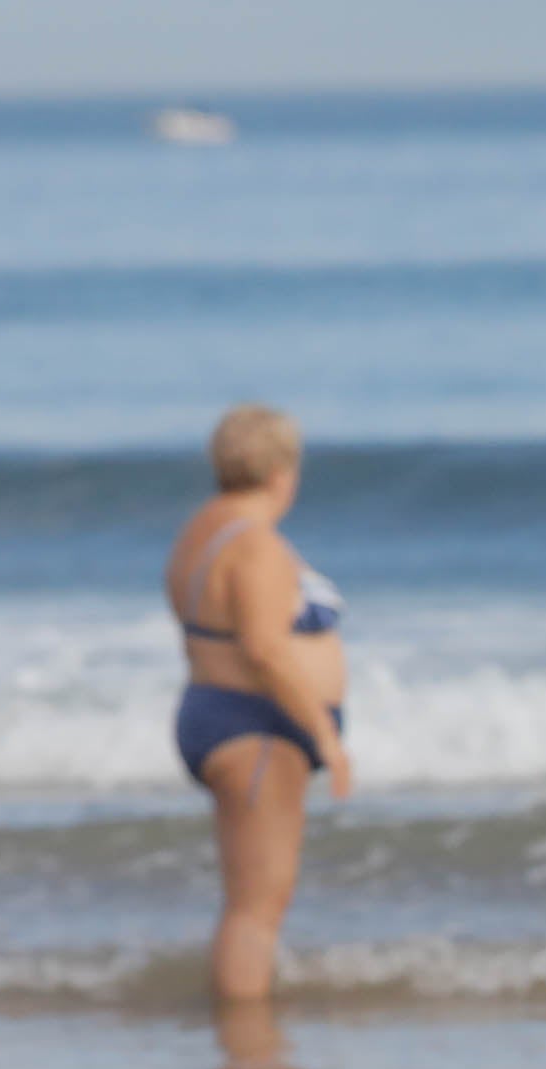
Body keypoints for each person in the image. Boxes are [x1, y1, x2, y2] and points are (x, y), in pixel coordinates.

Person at [167, 404, 352, 1000]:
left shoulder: (202, 529)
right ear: (282, 472)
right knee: (257, 906)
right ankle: (248, 1059)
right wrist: (325, 737)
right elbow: (266, 651)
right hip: (256, 726)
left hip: (218, 710)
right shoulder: (256, 548)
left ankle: (243, 1047)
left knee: (246, 899)